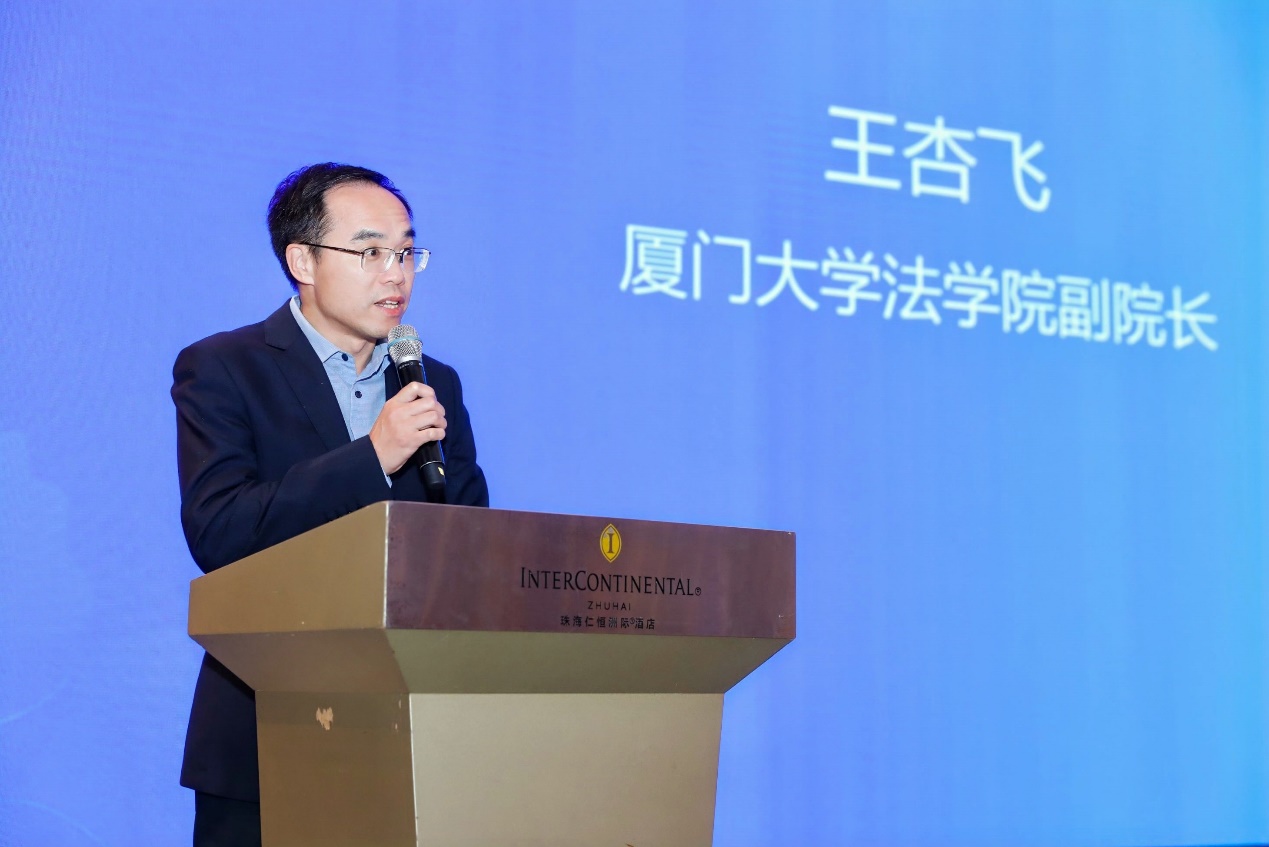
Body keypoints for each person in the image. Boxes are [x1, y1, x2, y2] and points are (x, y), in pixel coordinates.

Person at [171, 163, 489, 846]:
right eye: (370, 252)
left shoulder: (433, 382)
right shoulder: (225, 368)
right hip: (267, 732)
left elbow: (469, 551)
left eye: (406, 253)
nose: (396, 275)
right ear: (303, 261)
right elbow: (221, 530)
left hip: (412, 736)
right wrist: (373, 455)